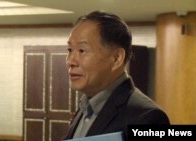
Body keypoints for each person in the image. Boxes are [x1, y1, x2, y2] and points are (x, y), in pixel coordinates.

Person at [63, 11, 170, 140]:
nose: (71, 61)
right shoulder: (85, 108)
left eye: (82, 50)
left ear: (116, 58)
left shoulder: (147, 118)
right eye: (70, 50)